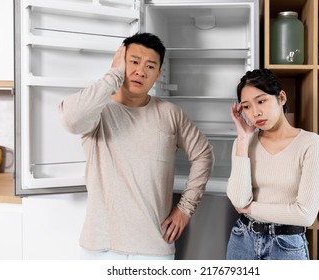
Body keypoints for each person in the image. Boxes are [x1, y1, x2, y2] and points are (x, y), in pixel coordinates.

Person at [58, 32, 214, 260]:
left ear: (158, 74)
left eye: (150, 66)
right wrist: (112, 75)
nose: (141, 71)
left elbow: (204, 154)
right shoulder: (98, 111)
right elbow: (71, 119)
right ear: (120, 62)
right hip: (99, 246)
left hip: (153, 247)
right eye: (133, 62)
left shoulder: (171, 114)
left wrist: (185, 208)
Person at [226, 68, 319, 260]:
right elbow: (239, 200)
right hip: (242, 240)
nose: (255, 112)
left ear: (281, 97)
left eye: (261, 101)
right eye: (246, 106)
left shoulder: (311, 144)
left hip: (286, 246)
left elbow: (305, 215)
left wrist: (250, 209)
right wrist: (242, 139)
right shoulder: (244, 143)